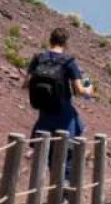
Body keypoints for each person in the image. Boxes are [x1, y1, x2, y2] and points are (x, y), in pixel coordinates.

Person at [24, 27, 93, 177]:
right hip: (64, 115)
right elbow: (80, 90)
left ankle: (45, 192)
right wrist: (89, 90)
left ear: (50, 39)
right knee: (67, 154)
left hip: (45, 114)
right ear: (66, 43)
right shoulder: (69, 62)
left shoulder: (38, 58)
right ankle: (63, 195)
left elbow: (26, 83)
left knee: (46, 153)